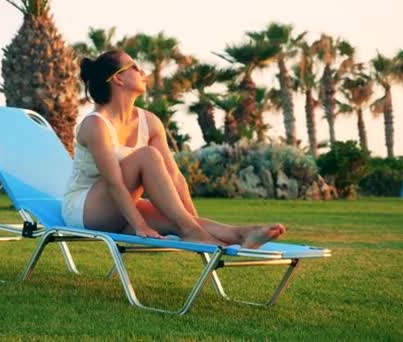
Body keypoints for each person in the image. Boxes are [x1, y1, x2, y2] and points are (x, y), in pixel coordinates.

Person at [61, 49, 286, 248]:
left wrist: (193, 221)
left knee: (174, 216)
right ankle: (194, 232)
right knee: (148, 156)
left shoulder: (149, 121)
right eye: (135, 67)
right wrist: (140, 225)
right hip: (86, 210)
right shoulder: (95, 124)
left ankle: (241, 234)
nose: (143, 72)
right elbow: (114, 182)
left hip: (122, 208)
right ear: (118, 78)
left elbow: (175, 177)